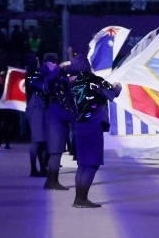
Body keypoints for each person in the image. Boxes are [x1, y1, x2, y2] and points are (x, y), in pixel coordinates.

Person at [67, 55, 121, 208]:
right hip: (93, 125)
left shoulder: (70, 83)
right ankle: (82, 199)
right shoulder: (95, 80)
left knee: (82, 164)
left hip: (78, 125)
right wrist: (118, 86)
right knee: (92, 164)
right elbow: (112, 93)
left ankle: (79, 198)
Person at [41, 53, 76, 191]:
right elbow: (49, 82)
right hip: (55, 118)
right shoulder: (47, 79)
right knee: (55, 152)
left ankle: (51, 181)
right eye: (52, 63)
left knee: (57, 152)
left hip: (56, 118)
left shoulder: (56, 80)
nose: (54, 65)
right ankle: (52, 181)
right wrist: (60, 68)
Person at [23, 54, 49, 177]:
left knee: (41, 140)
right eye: (37, 61)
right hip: (36, 108)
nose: (39, 63)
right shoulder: (32, 77)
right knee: (38, 140)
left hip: (36, 108)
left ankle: (41, 168)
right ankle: (35, 169)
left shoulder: (28, 76)